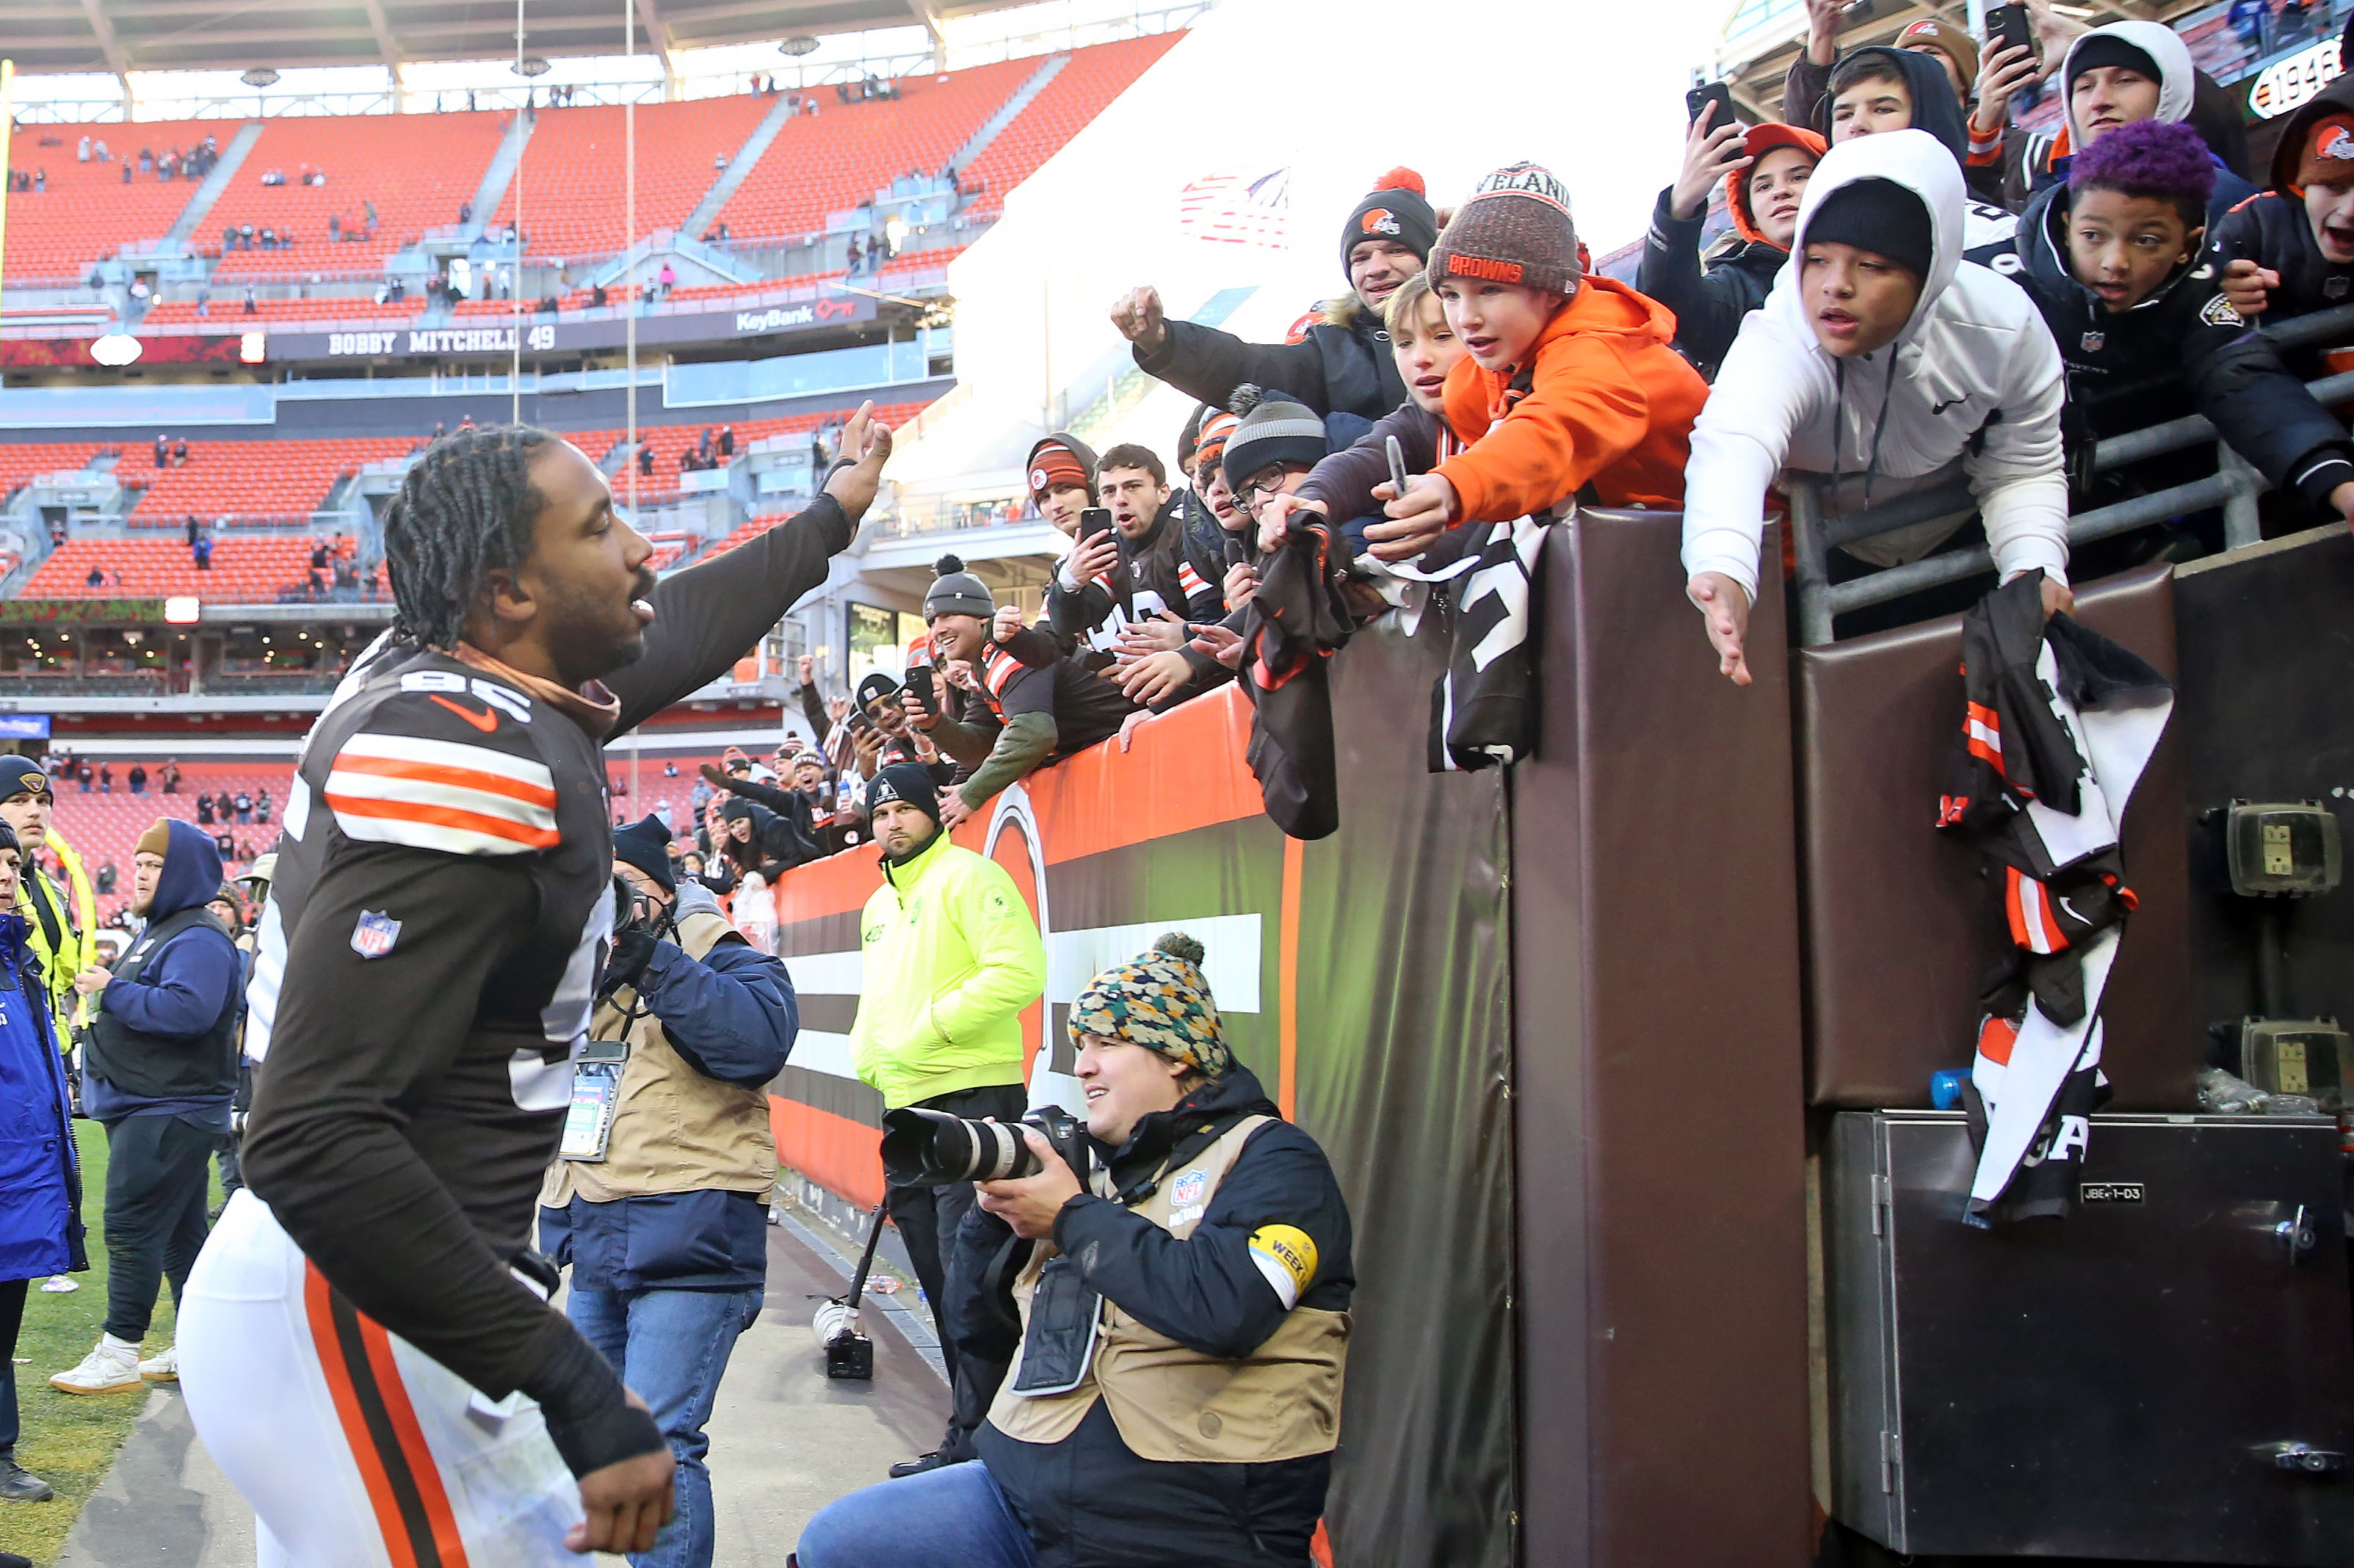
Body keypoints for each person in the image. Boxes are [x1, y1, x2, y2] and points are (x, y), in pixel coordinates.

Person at [175, 407, 891, 1563]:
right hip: (360, 1288)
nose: (643, 550)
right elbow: (311, 1137)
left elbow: (670, 629)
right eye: (602, 527)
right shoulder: (465, 753)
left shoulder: (466, 674)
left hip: (370, 1286)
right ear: (510, 596)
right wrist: (575, 1385)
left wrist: (825, 521)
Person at [796, 932, 1354, 1568]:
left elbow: (1227, 1308)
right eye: (1080, 1046)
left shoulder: (1276, 1160)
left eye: (1106, 1044)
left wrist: (1069, 1218)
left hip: (1187, 1516)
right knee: (840, 1546)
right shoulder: (1089, 1171)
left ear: (1176, 1056)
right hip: (1019, 1493)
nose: (1082, 1065)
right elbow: (980, 1332)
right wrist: (993, 1220)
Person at [1681, 130, 2071, 686]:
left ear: (1929, 270)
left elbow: (2024, 466)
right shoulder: (1781, 337)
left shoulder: (2002, 327)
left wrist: (2033, 566)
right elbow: (1734, 443)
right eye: (1816, 260)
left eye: (1872, 266)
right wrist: (1724, 567)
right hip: (1840, 559)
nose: (1834, 287)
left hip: (1970, 543)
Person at [539, 816, 797, 1568]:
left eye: (624, 891)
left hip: (695, 1234)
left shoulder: (725, 958)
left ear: (665, 893)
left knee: (659, 1442)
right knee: (597, 1441)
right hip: (595, 1236)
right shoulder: (576, 984)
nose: (607, 907)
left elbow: (752, 1045)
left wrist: (652, 961)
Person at [1331, 162, 1710, 565]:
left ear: (1551, 292)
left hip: (1744, 568)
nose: (1465, 318)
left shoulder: (1601, 349)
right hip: (1628, 562)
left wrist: (1453, 486)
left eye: (1490, 289)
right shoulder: (1472, 384)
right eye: (1451, 294)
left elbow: (1550, 434)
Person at [2006, 119, 2354, 548]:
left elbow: (2245, 382)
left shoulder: (2206, 286)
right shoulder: (2002, 285)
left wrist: (2341, 484)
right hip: (2000, 506)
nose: (2115, 261)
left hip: (2142, 498)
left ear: (2189, 245)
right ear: (2065, 224)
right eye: (2093, 235)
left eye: (2147, 241)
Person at [847, 761, 1046, 1478]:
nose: (890, 823)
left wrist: (926, 1030)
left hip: (973, 1103)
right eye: (878, 814)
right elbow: (878, 1003)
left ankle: (988, 1447)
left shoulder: (969, 877)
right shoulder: (878, 905)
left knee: (976, 1288)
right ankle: (967, 1437)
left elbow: (1019, 972)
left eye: (901, 808)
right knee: (936, 1278)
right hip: (906, 1110)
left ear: (933, 811)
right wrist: (871, 1055)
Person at [51, 821, 239, 1395]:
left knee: (132, 1228)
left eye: (154, 865)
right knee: (181, 1235)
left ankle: (119, 1348)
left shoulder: (200, 938)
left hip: (170, 1105)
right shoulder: (165, 931)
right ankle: (200, 1344)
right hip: (154, 1103)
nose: (138, 872)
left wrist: (112, 989)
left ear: (182, 872)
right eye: (136, 862)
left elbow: (188, 1012)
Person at [1114, 169, 1438, 420]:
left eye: (1396, 250)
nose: (1376, 269)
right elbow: (1249, 367)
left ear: (1431, 256)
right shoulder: (1333, 348)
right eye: (1361, 258)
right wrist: (1163, 342)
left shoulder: (1475, 324)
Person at [910, 559, 1137, 828]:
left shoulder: (1008, 651)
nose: (937, 630)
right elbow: (979, 748)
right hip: (1113, 759)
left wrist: (972, 793)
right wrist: (935, 724)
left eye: (948, 616)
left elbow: (1035, 733)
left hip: (1133, 751)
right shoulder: (982, 668)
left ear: (981, 616)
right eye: (932, 622)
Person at [0, 822, 84, 1506]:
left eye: (12, 866)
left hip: (23, 1182)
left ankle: (0, 1453)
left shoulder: (17, 963)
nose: (7, 876)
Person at [1643, 114, 1827, 379]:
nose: (1780, 191)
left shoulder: (1883, 257)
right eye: (1763, 186)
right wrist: (1680, 205)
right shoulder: (1736, 286)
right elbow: (1670, 306)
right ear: (1749, 213)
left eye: (1798, 177)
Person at [2211, 77, 2354, 333]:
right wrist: (2219, 294)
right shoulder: (2254, 225)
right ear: (2301, 183)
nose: (2350, 211)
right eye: (2334, 186)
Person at [0, 758, 96, 1055]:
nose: (34, 811)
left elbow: (59, 979)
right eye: (19, 800)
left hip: (50, 1059)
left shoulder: (51, 888)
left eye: (43, 801)